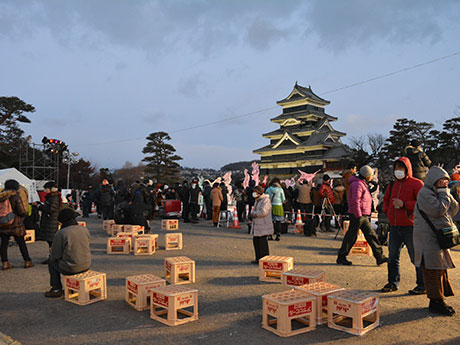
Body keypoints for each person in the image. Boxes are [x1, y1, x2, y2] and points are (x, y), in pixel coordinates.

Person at [413, 166, 458, 316]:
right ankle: (436, 302)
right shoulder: (424, 193)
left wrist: (446, 193)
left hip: (436, 238)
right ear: (433, 180)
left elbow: (453, 209)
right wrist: (443, 193)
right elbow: (438, 210)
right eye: (441, 180)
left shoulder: (439, 192)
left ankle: (439, 300)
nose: (444, 183)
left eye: (446, 181)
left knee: (439, 269)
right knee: (432, 270)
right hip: (427, 240)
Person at [380, 157, 425, 294]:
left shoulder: (417, 184)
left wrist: (404, 204)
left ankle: (423, 285)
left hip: (411, 227)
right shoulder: (392, 185)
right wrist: (388, 211)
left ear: (407, 169)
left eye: (401, 168)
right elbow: (386, 200)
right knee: (392, 256)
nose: (398, 171)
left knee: (416, 257)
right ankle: (393, 282)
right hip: (394, 226)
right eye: (396, 168)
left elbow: (422, 203)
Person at [337, 165, 388, 266]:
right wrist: (358, 214)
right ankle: (342, 256)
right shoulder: (357, 184)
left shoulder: (361, 183)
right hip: (358, 214)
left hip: (362, 214)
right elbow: (355, 201)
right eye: (370, 175)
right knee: (352, 237)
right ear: (366, 175)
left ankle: (379, 256)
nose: (371, 177)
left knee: (370, 235)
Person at [45, 208, 91, 298]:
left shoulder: (61, 233)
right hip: (86, 265)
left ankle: (56, 289)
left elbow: (55, 255)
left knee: (51, 261)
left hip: (71, 267)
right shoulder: (84, 229)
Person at [0, 179, 33, 270]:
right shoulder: (15, 197)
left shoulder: (1, 196)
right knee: (21, 243)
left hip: (3, 223)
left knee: (3, 243)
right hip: (15, 223)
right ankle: (27, 261)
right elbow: (21, 211)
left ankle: (5, 263)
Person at [37, 181, 61, 264]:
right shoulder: (52, 197)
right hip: (50, 221)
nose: (45, 190)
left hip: (51, 221)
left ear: (51, 189)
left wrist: (40, 206)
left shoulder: (53, 198)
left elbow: (51, 209)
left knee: (51, 241)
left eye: (46, 189)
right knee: (50, 241)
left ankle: (53, 258)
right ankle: (52, 257)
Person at [250, 186, 274, 264]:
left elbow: (263, 212)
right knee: (256, 242)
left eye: (255, 192)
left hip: (263, 225)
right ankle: (258, 259)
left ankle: (264, 260)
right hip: (258, 225)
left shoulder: (266, 200)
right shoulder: (257, 200)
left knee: (262, 243)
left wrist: (254, 214)